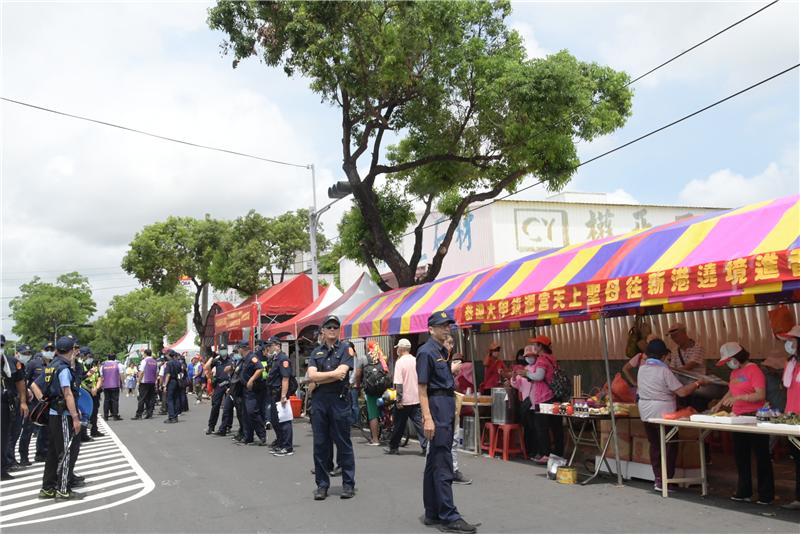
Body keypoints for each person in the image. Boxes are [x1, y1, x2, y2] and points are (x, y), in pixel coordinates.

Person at [417, 311, 478, 533]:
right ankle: (449, 515)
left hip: (445, 402)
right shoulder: (426, 352)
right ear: (431, 329)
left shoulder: (442, 351)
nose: (446, 328)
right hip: (436, 405)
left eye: (448, 325)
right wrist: (427, 418)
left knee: (434, 461)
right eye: (442, 326)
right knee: (443, 462)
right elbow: (422, 389)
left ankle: (433, 511)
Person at [636, 338, 706, 491]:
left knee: (655, 444)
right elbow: (681, 392)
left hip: (645, 410)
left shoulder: (642, 368)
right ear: (662, 356)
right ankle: (665, 480)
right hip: (663, 412)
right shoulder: (663, 370)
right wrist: (697, 383)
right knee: (669, 445)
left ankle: (658, 479)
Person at [712, 342, 773, 505]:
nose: (729, 364)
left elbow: (760, 395)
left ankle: (766, 494)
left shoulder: (754, 370)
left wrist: (739, 398)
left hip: (755, 417)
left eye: (730, 360)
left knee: (761, 456)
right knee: (741, 455)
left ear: (738, 357)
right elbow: (732, 390)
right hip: (737, 416)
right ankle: (744, 490)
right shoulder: (735, 372)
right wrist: (720, 403)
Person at [307, 315, 355, 500]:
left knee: (343, 443)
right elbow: (311, 376)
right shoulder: (316, 352)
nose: (333, 330)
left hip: (338, 400)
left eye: (335, 327)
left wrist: (321, 378)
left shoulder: (345, 349)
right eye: (329, 327)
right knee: (320, 445)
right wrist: (331, 375)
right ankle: (322, 485)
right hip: (320, 402)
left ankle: (348, 484)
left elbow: (342, 374)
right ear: (323, 331)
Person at [34, 336, 83, 500]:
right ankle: (63, 489)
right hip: (64, 414)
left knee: (53, 453)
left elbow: (35, 385)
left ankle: (47, 487)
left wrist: (44, 402)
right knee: (67, 452)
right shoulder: (63, 368)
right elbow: (67, 393)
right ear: (70, 351)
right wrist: (75, 417)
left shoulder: (51, 366)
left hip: (54, 413)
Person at [384, 338, 427, 456]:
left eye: (398, 348)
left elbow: (399, 383)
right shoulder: (416, 360)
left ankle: (393, 447)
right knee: (419, 424)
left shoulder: (400, 362)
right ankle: (426, 446)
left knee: (398, 425)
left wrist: (398, 399)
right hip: (417, 397)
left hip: (404, 400)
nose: (397, 349)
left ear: (401, 349)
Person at [527, 335, 564, 465]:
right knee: (556, 427)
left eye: (536, 345)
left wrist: (526, 373)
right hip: (555, 396)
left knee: (541, 427)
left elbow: (539, 376)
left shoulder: (542, 360)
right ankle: (558, 454)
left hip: (544, 397)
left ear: (541, 347)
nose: (534, 347)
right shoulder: (553, 359)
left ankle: (545, 454)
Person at [777, 325, 800, 510]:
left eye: (792, 341)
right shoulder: (790, 363)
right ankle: (798, 498)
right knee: (797, 458)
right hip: (791, 416)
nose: (789, 344)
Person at [443, 334, 471, 485]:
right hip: (441, 407)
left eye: (452, 343)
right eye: (448, 343)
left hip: (452, 405)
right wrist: (451, 370)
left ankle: (452, 470)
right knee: (440, 441)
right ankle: (441, 470)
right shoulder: (436, 359)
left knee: (453, 440)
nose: (451, 346)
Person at [18, 344, 52, 465]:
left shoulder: (53, 364)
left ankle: (42, 453)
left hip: (46, 402)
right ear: (42, 350)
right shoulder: (34, 363)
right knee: (28, 429)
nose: (49, 352)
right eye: (47, 349)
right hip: (33, 402)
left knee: (45, 428)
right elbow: (23, 380)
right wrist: (27, 393)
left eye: (51, 350)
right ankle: (23, 456)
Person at [2, 335, 29, 480]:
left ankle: (5, 464)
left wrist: (23, 402)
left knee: (8, 435)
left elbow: (20, 383)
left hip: (8, 404)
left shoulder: (12, 362)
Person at [266, 336, 294, 456]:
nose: (269, 348)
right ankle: (281, 442)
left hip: (280, 393)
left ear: (277, 345)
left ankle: (287, 447)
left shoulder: (283, 359)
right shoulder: (275, 359)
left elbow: (285, 378)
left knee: (284, 420)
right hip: (273, 392)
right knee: (275, 419)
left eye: (271, 345)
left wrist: (283, 395)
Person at [510, 345, 538, 463]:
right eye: (527, 356)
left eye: (531, 356)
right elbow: (517, 385)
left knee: (537, 429)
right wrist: (514, 377)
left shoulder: (538, 369)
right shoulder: (525, 369)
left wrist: (526, 375)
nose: (528, 358)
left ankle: (537, 451)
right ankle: (528, 451)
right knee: (528, 428)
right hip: (527, 403)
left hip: (537, 402)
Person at [363, 340, 389, 445]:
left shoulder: (365, 358)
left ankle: (375, 439)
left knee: (373, 414)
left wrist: (357, 384)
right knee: (385, 409)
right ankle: (388, 428)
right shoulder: (383, 357)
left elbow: (358, 373)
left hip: (371, 390)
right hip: (383, 389)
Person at [242, 342, 268, 446]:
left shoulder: (252, 357)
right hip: (243, 389)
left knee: (252, 411)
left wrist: (251, 380)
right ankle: (248, 437)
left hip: (251, 390)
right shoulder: (244, 359)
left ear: (242, 348)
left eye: (239, 348)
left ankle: (262, 434)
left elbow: (260, 367)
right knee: (245, 414)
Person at [206, 347, 233, 435]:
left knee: (229, 407)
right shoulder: (217, 360)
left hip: (229, 384)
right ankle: (211, 426)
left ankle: (227, 426)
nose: (223, 351)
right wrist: (211, 377)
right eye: (221, 350)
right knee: (215, 405)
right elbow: (206, 367)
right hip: (219, 384)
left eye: (224, 349)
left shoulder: (231, 359)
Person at [133, 349, 158, 420]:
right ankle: (149, 413)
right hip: (152, 382)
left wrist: (138, 381)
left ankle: (139, 414)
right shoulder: (154, 362)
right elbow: (156, 373)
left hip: (144, 381)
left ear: (145, 354)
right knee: (150, 398)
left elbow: (141, 372)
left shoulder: (144, 361)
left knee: (142, 398)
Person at [100, 354, 125, 421]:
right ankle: (115, 416)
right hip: (115, 385)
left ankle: (106, 416)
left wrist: (102, 385)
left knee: (106, 400)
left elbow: (101, 377)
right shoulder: (118, 365)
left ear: (108, 358)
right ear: (115, 358)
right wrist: (122, 383)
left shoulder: (103, 365)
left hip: (106, 385)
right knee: (115, 401)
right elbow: (121, 375)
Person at [163, 350, 185, 424]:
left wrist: (165, 385)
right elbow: (181, 373)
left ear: (169, 355)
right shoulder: (179, 363)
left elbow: (168, 374)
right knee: (176, 399)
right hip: (177, 381)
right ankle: (175, 416)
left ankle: (171, 417)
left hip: (171, 381)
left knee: (170, 399)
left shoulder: (169, 363)